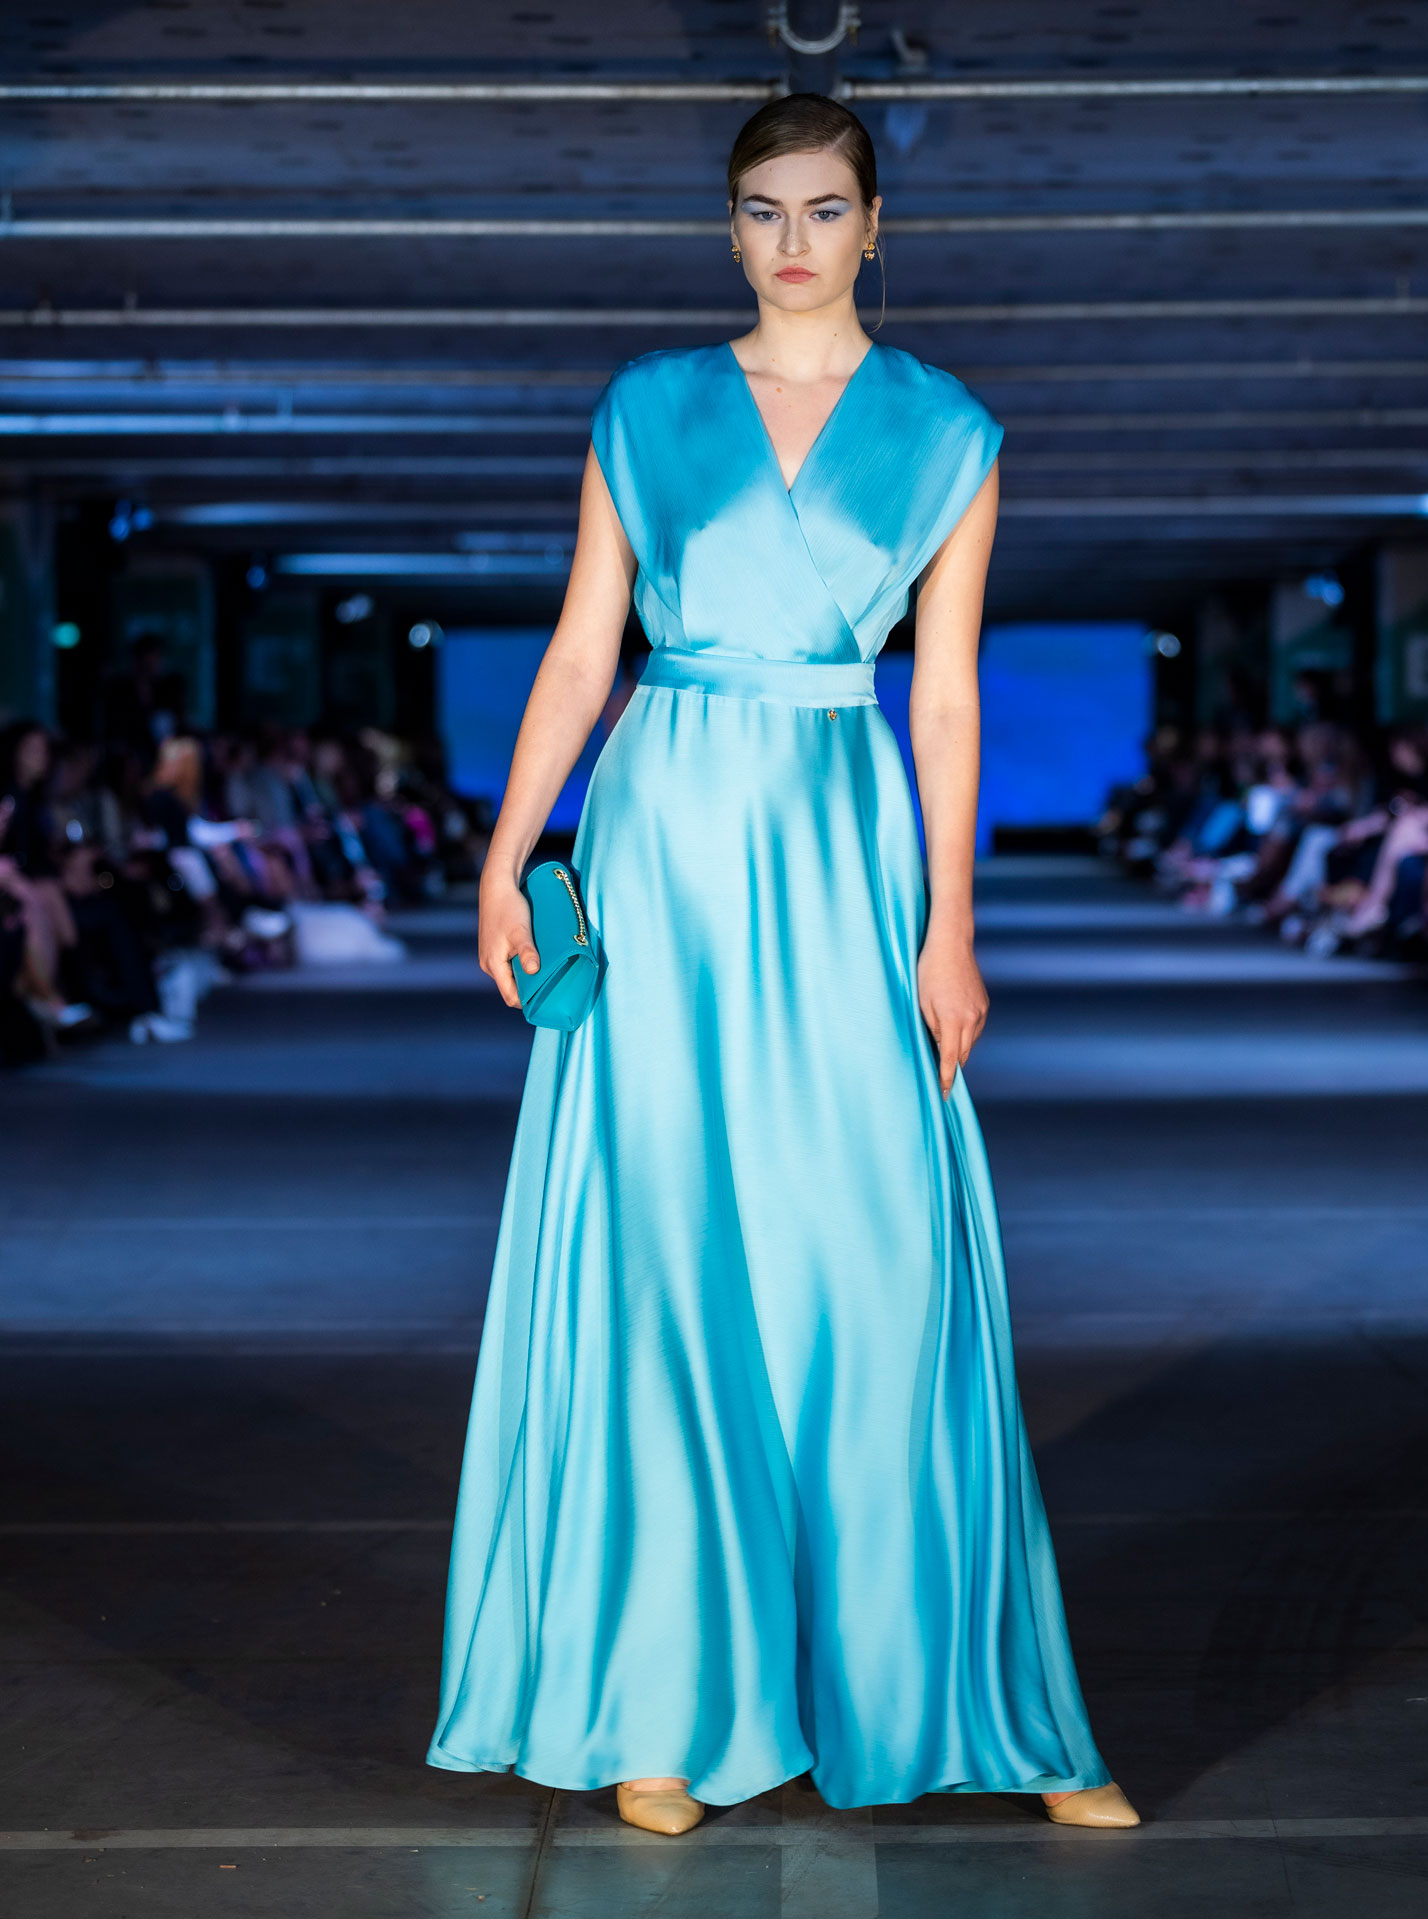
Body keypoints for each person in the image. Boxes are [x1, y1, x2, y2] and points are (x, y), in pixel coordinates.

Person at [428, 93, 1137, 1836]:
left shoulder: (949, 431)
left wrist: (951, 926)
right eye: (764, 210)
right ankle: (661, 1708)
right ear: (729, 227)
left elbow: (946, 698)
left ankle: (974, 1700)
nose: (794, 241)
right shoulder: (647, 406)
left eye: (825, 209)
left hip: (840, 846)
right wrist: (507, 855)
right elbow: (584, 652)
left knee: (880, 1263)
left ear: (876, 225)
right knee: (669, 1257)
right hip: (666, 840)